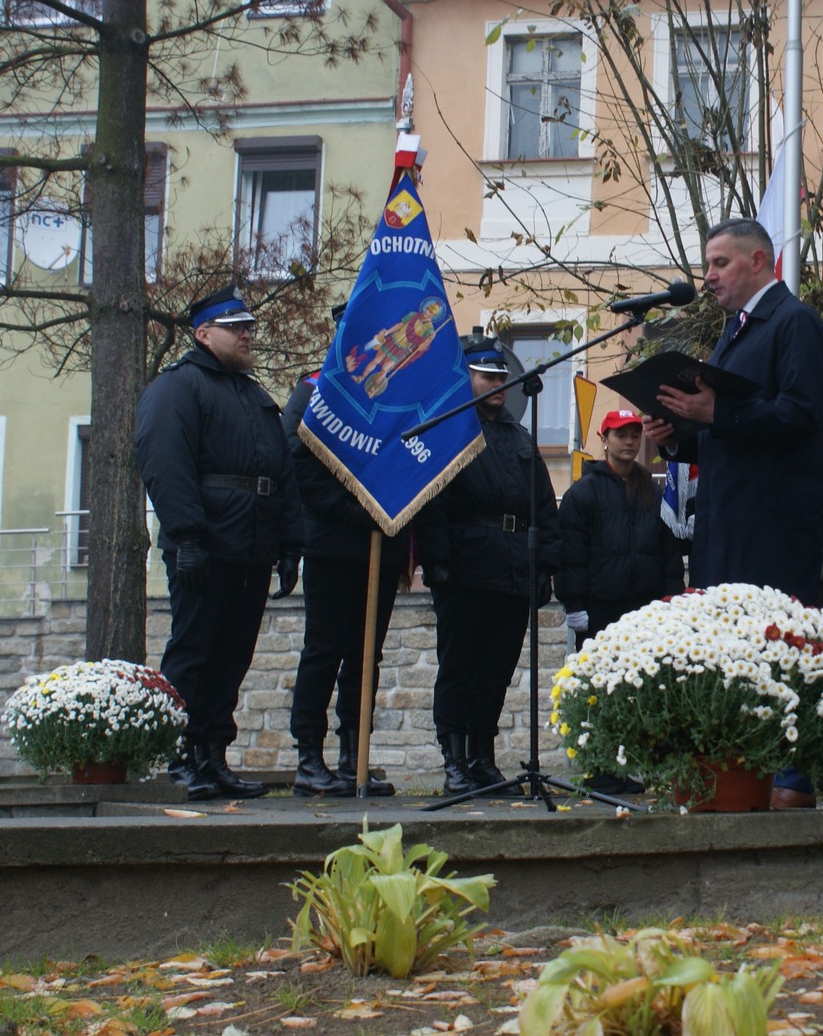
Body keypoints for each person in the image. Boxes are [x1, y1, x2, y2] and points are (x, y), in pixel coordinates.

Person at [136, 286, 300, 801]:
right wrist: (186, 537)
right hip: (205, 547)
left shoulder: (255, 397)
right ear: (204, 333)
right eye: (236, 326)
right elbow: (166, 467)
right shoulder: (177, 389)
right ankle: (180, 758)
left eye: (248, 325)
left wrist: (290, 545)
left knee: (232, 657)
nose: (247, 333)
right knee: (193, 654)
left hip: (251, 547)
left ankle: (212, 754)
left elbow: (282, 473)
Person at [643, 218, 823, 604]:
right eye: (707, 265)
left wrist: (715, 413)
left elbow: (801, 416)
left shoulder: (795, 322)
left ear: (757, 260)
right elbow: (725, 430)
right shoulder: (735, 331)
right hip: (721, 530)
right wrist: (676, 434)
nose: (708, 277)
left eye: (720, 263)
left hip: (768, 538)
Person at [412, 333, 560, 797]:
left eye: (501, 377)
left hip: (513, 567)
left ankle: (482, 757)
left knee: (496, 670)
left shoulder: (519, 437)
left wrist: (544, 568)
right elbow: (433, 502)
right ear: (465, 379)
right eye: (486, 376)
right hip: (467, 566)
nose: (497, 384)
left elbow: (543, 506)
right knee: (460, 667)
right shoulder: (451, 429)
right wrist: (437, 561)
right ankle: (454, 758)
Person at [280, 306, 411, 799]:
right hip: (334, 542)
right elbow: (299, 461)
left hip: (383, 543)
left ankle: (353, 757)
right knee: (324, 650)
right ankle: (308, 757)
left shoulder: (395, 396)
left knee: (366, 657)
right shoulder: (315, 390)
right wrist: (357, 510)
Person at [557, 408, 686, 795]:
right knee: (599, 691)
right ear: (604, 439)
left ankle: (626, 766)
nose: (628, 442)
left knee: (637, 693)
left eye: (634, 435)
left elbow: (668, 554)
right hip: (600, 609)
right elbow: (570, 555)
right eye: (620, 435)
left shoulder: (653, 490)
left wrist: (672, 600)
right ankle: (598, 768)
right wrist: (573, 603)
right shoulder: (583, 493)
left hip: (643, 610)